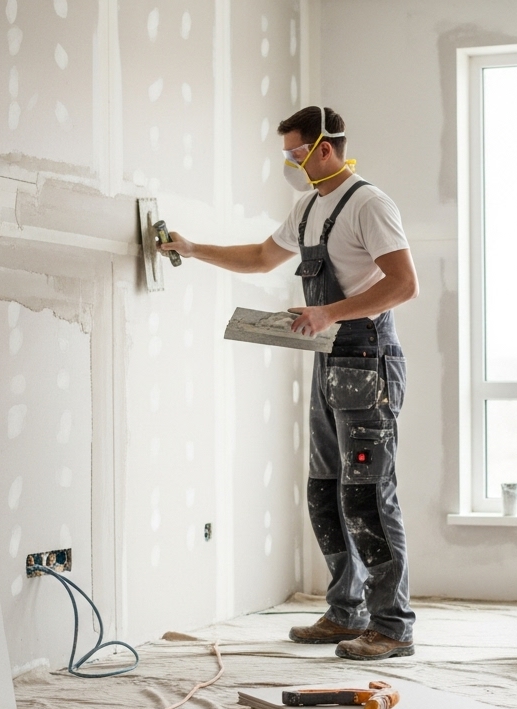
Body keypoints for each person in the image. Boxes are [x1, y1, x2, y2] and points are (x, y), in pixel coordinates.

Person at [159, 106, 418, 660]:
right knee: (326, 491)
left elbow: (403, 284)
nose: (292, 164)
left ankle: (392, 626)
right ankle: (346, 612)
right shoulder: (306, 209)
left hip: (368, 360)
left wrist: (332, 314)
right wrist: (192, 248)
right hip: (328, 362)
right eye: (287, 156)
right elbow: (258, 258)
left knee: (367, 494)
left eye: (296, 153)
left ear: (326, 147)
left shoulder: (369, 203)